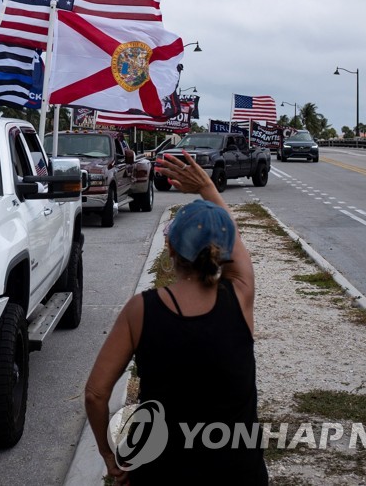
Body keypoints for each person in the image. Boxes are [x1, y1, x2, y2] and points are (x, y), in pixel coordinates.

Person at [84, 150, 268, 485]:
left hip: (160, 472)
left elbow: (96, 394)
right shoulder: (240, 297)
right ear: (221, 252)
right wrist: (208, 189)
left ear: (170, 249)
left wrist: (109, 457)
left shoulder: (141, 310)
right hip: (239, 472)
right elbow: (234, 241)